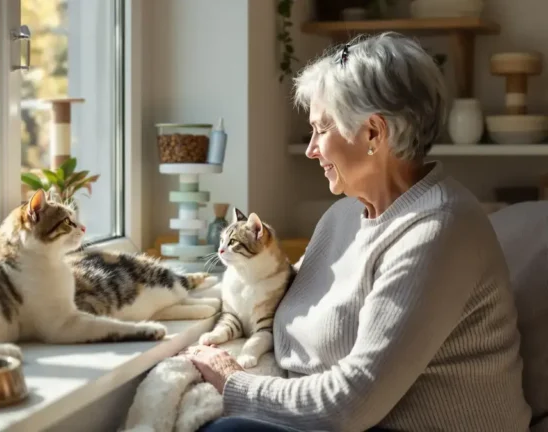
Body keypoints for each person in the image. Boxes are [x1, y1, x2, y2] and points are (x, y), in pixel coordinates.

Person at [185, 32, 532, 432]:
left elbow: (350, 404)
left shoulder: (437, 231)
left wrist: (234, 383)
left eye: (321, 129)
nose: (311, 149)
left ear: (373, 133)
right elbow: (272, 294)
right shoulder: (343, 217)